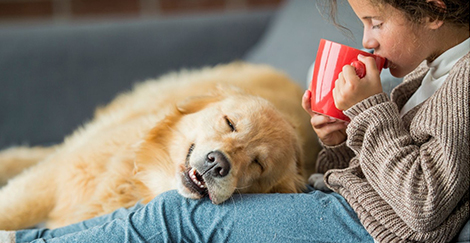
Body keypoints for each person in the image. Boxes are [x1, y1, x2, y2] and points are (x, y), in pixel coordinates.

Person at [1, 0, 468, 242]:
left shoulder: (465, 79)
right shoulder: (434, 69)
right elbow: (380, 173)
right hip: (352, 212)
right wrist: (345, 137)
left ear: (434, 9)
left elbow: (423, 203)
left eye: (375, 22)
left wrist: (370, 109)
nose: (368, 40)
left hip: (368, 231)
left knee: (178, 215)